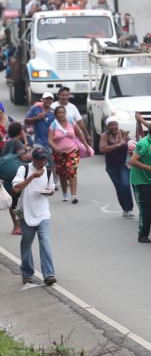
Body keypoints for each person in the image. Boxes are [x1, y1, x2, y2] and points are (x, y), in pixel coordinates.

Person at [13, 147, 56, 286]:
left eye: (44, 159)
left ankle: (49, 274)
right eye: (40, 159)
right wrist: (32, 177)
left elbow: (51, 189)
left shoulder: (48, 172)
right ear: (33, 159)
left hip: (43, 213)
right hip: (26, 213)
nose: (43, 162)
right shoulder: (24, 170)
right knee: (26, 244)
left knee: (45, 241)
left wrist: (48, 192)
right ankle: (27, 273)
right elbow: (16, 188)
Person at [48, 105, 88, 204]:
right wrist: (55, 148)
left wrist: (86, 146)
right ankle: (65, 194)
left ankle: (74, 196)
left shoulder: (71, 122)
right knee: (62, 173)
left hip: (72, 151)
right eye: (59, 113)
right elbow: (50, 140)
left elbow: (80, 134)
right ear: (55, 115)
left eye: (63, 112)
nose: (61, 114)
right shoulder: (53, 125)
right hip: (59, 153)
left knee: (72, 171)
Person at [99, 117, 133, 217]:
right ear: (107, 126)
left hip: (124, 164)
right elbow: (102, 148)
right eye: (111, 125)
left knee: (126, 185)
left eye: (115, 124)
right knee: (119, 187)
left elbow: (130, 143)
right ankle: (125, 209)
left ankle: (130, 208)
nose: (113, 127)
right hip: (111, 166)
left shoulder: (122, 132)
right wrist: (118, 145)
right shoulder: (105, 136)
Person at [24, 91, 55, 160]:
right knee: (39, 161)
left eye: (50, 99)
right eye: (46, 99)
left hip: (49, 143)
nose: (48, 100)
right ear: (42, 99)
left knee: (50, 163)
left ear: (52, 101)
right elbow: (26, 120)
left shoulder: (53, 112)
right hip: (38, 141)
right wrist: (37, 118)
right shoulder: (35, 108)